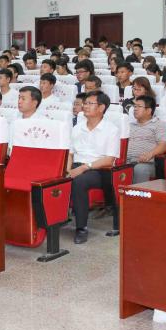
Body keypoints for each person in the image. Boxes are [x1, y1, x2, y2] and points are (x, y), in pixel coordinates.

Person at [67, 91, 121, 243]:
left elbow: (109, 160)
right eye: (85, 103)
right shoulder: (77, 128)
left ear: (101, 107)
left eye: (90, 103)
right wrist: (67, 169)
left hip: (99, 170)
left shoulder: (111, 129)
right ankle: (53, 221)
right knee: (53, 178)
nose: (85, 106)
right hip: (77, 166)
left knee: (79, 181)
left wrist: (84, 167)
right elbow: (70, 154)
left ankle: (81, 228)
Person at [126, 95, 166, 183]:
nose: (135, 109)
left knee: (140, 169)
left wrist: (150, 154)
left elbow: (163, 145)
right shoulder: (129, 125)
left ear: (149, 110)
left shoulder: (158, 125)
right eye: (135, 106)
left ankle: (137, 193)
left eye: (139, 106)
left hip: (146, 163)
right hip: (126, 161)